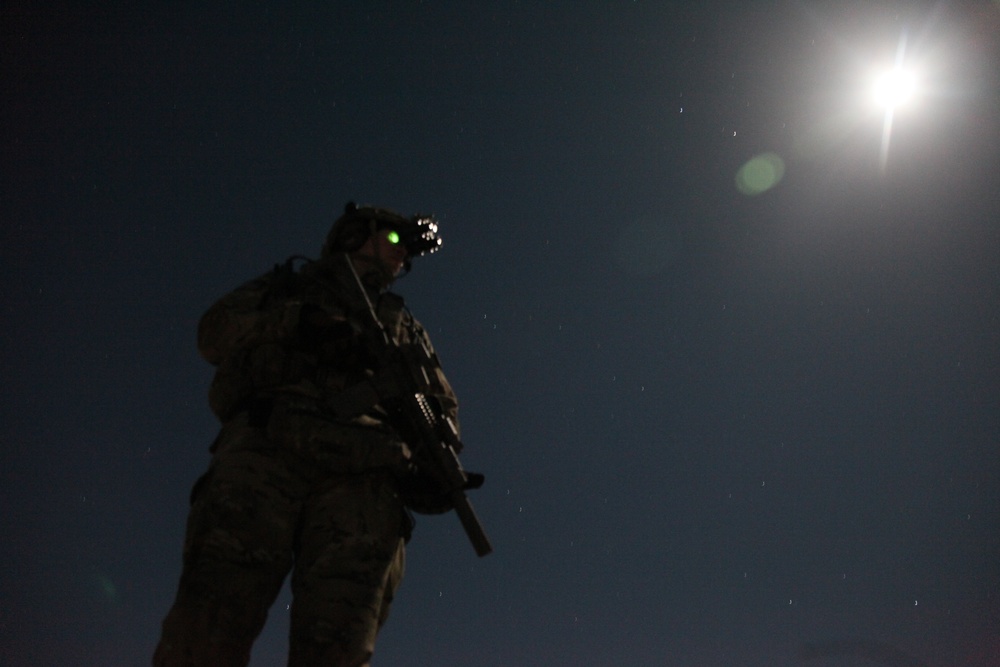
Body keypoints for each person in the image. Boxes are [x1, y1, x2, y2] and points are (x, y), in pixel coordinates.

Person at [154, 202, 461, 666]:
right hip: (269, 452)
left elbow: (441, 405)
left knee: (339, 645)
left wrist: (434, 456)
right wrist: (299, 323)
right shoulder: (290, 288)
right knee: (211, 622)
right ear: (356, 234)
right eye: (395, 241)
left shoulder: (405, 327)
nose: (404, 257)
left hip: (364, 480)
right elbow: (214, 334)